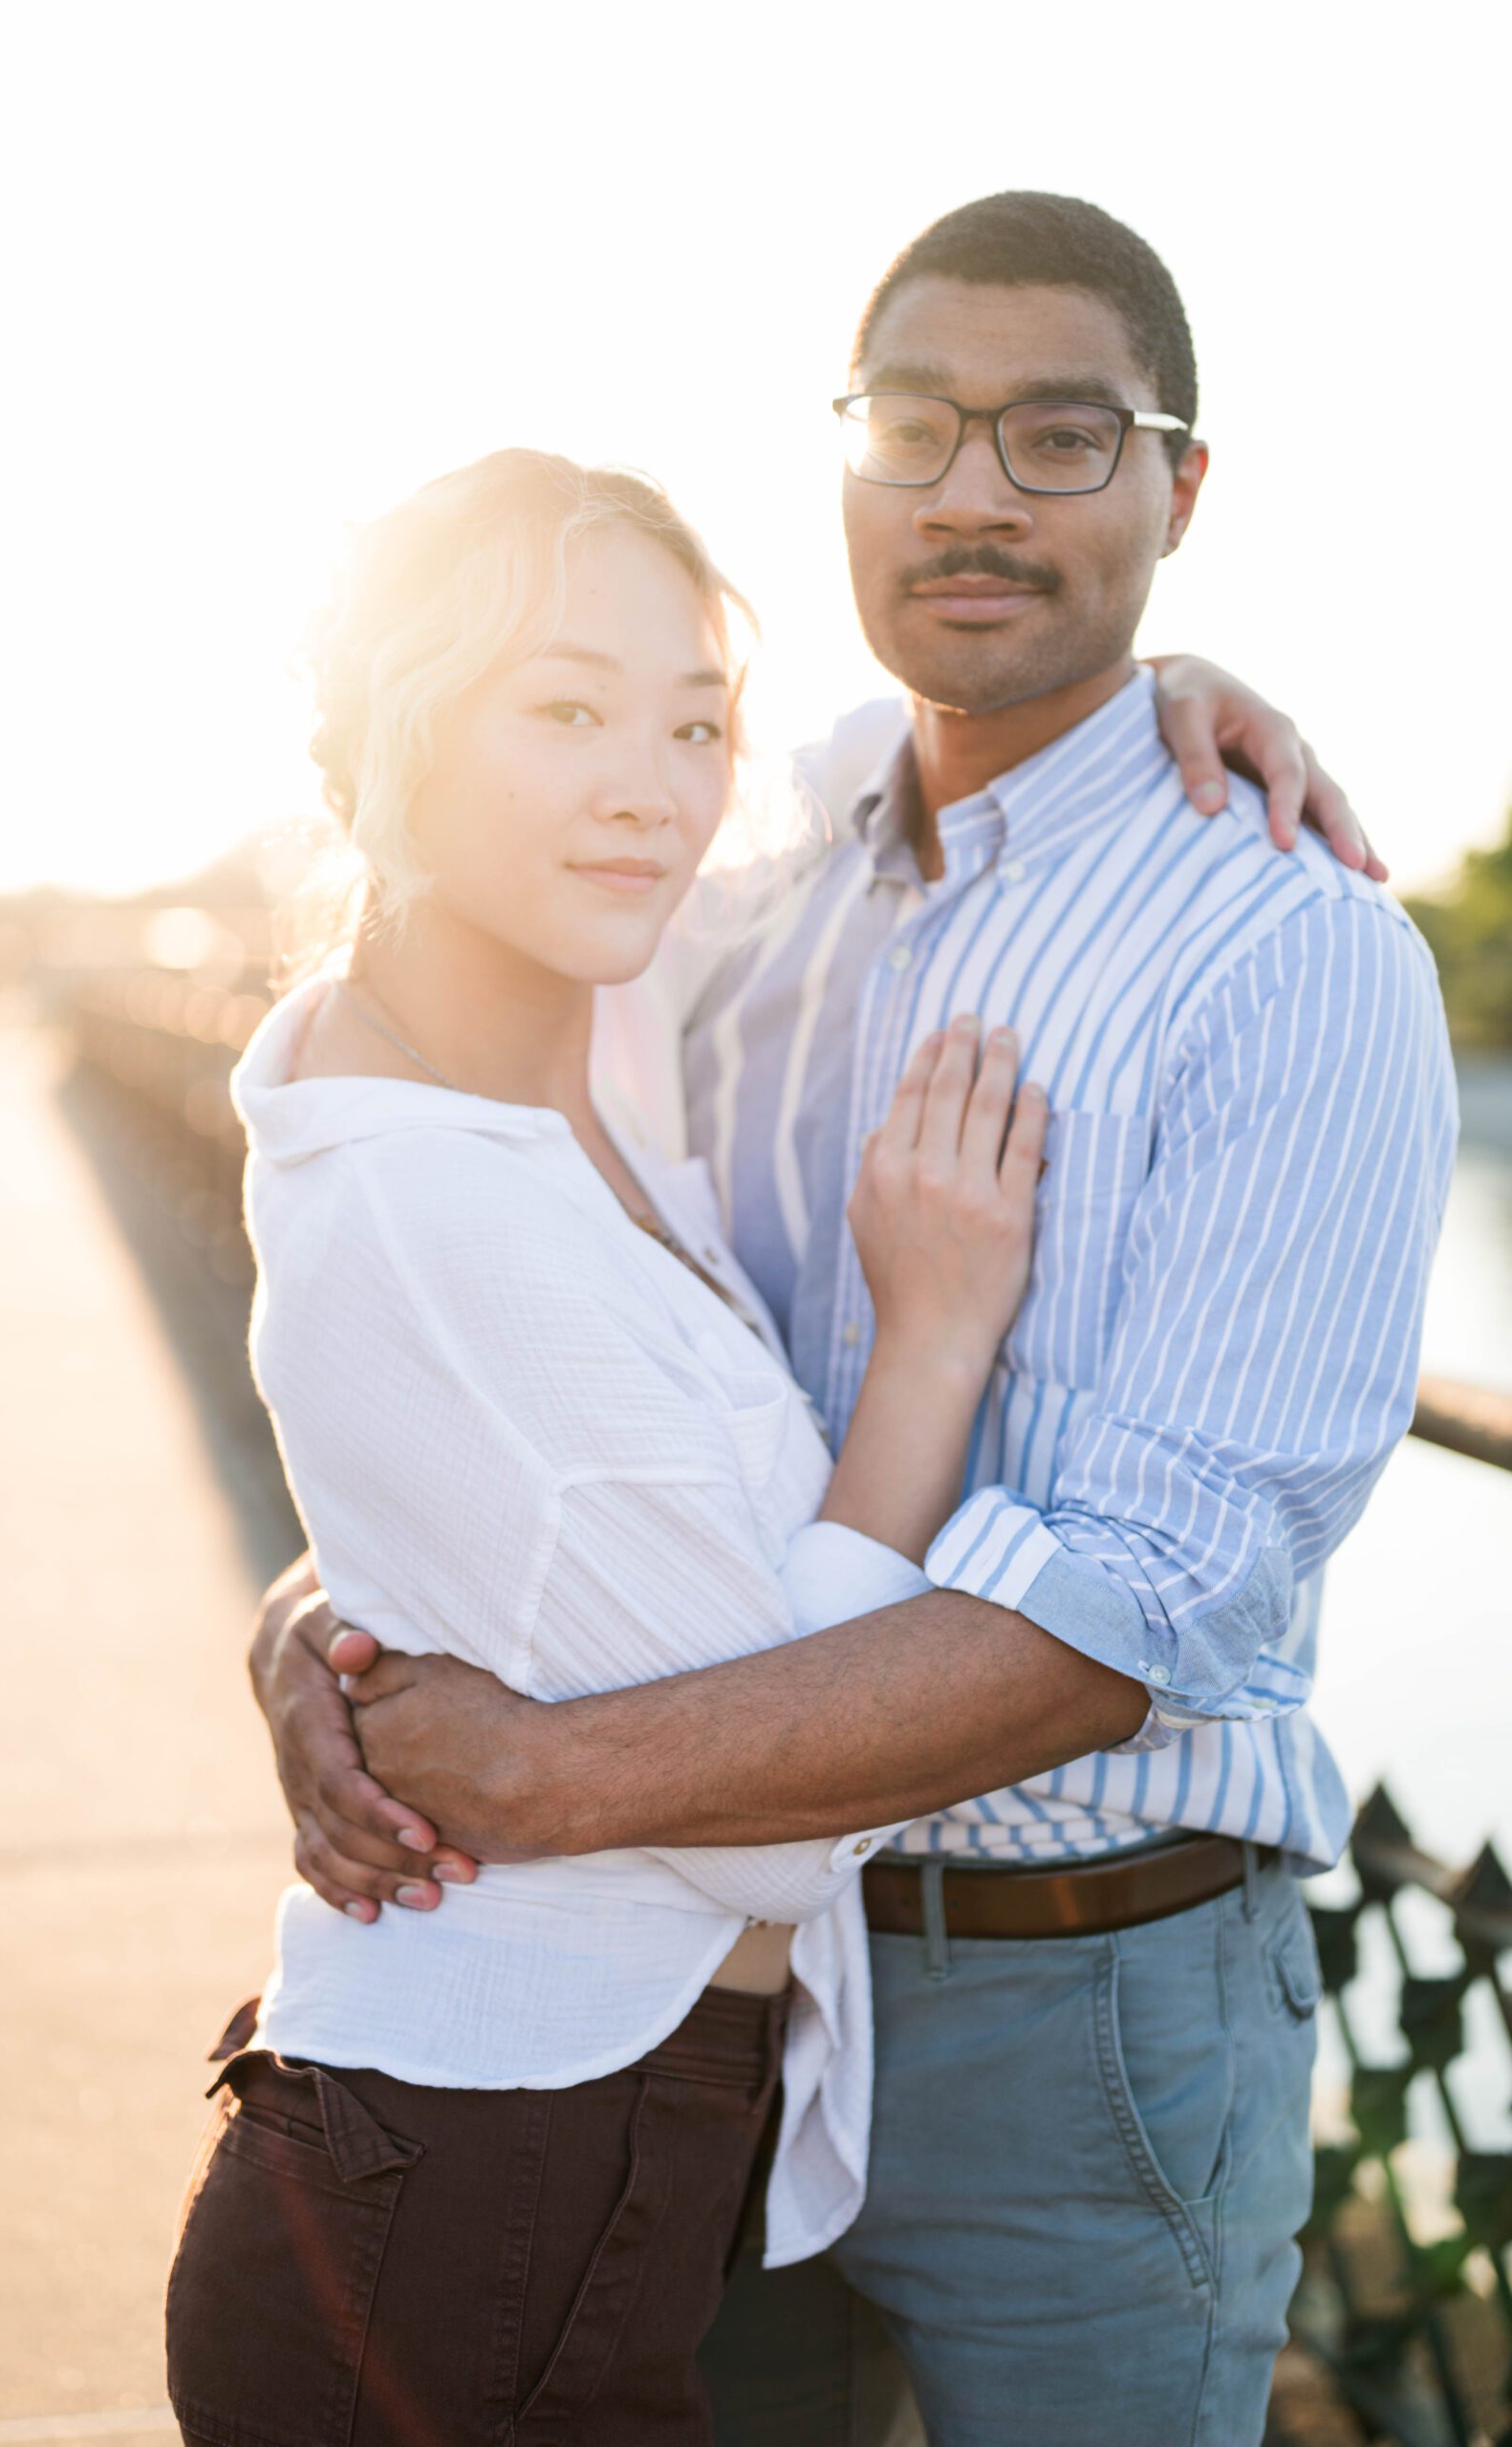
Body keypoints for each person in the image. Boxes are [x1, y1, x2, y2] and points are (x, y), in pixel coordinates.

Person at [254, 195, 1457, 2446]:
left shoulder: (1290, 948)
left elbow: (1151, 1595)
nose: (978, 491)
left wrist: (539, 1766)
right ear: (844, 469)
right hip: (685, 2014)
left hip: (1072, 2007)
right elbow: (542, 1339)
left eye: (1065, 437)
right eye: (919, 427)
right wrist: (320, 1620)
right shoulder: (744, 881)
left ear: (1179, 495)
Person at [168, 448, 1069, 2445]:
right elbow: (779, 1815)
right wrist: (928, 1347)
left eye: (691, 722)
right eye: (561, 707)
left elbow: (881, 761)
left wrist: (1161, 685)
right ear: (395, 731)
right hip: (477, 2200)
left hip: (563, 2169)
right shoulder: (436, 1192)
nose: (650, 787)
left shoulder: (565, 1026)